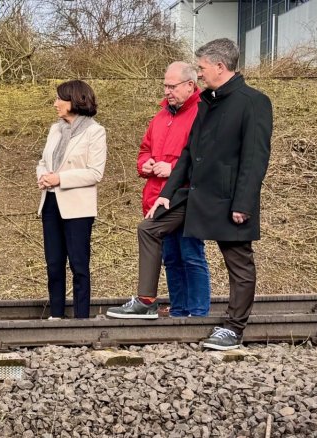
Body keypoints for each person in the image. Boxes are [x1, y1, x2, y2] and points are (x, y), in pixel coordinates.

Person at [106, 39, 273, 351]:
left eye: (202, 68)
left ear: (220, 67)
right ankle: (145, 301)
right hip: (193, 195)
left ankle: (234, 328)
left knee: (238, 262)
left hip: (228, 200)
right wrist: (166, 194)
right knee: (150, 227)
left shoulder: (253, 102)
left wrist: (243, 203)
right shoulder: (208, 102)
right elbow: (187, 155)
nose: (200, 73)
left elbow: (255, 158)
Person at [132, 62, 211, 318]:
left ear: (190, 85)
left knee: (191, 255)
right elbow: (144, 151)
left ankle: (197, 314)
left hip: (188, 197)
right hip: (159, 197)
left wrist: (173, 168)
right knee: (172, 258)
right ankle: (179, 311)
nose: (167, 91)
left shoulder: (202, 112)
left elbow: (205, 158)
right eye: (165, 85)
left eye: (172, 86)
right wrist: (147, 164)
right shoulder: (161, 116)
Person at [36, 80, 107, 320]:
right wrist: (44, 177)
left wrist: (59, 179)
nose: (55, 103)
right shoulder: (54, 129)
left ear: (75, 100)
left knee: (79, 266)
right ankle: (56, 316)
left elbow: (95, 172)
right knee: (54, 264)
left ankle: (81, 319)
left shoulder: (95, 131)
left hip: (78, 208)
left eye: (60, 99)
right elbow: (43, 162)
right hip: (50, 203)